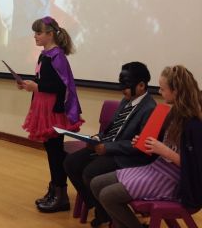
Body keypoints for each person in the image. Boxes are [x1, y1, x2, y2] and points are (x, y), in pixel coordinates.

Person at [90, 65, 202, 228]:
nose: (160, 92)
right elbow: (164, 145)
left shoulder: (195, 124)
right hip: (157, 168)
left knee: (108, 195)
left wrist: (163, 150)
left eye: (163, 89)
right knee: (96, 183)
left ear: (176, 91)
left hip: (175, 179)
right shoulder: (173, 113)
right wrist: (146, 143)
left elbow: (194, 166)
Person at [64, 62, 156, 227]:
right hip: (109, 148)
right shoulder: (125, 101)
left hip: (125, 156)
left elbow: (140, 145)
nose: (122, 89)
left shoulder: (149, 108)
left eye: (126, 84)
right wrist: (96, 138)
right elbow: (111, 129)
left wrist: (108, 148)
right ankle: (100, 207)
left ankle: (103, 211)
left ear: (141, 85)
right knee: (70, 162)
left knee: (90, 172)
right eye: (121, 83)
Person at [18, 16, 83, 213]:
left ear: (50, 34)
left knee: (55, 152)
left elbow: (61, 86)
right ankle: (54, 189)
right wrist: (29, 85)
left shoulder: (57, 56)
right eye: (35, 33)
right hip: (43, 106)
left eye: (38, 33)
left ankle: (61, 195)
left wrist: (37, 86)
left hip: (54, 110)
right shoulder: (45, 55)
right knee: (51, 150)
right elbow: (43, 80)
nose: (35, 36)